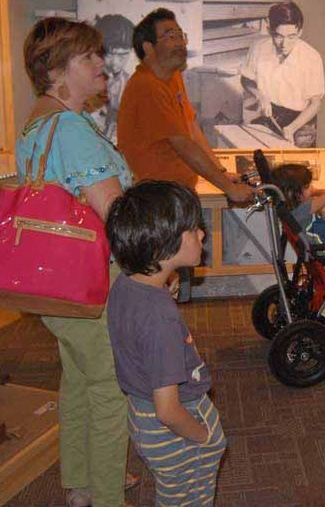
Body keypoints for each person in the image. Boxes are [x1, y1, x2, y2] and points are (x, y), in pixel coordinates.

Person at [16, 17, 136, 507]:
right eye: (88, 57)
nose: (100, 65)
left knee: (79, 378)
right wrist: (149, 274)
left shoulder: (37, 125)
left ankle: (80, 484)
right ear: (57, 71)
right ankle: (107, 495)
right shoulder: (70, 127)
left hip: (53, 280)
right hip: (91, 279)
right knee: (109, 385)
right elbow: (115, 215)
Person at [105, 181, 227, 506]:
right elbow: (168, 410)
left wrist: (167, 282)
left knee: (173, 496)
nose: (201, 234)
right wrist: (207, 437)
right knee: (190, 498)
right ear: (161, 247)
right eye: (192, 228)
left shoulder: (127, 282)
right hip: (176, 428)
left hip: (140, 414)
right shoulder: (161, 319)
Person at [117, 7, 253, 203]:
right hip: (157, 199)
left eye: (181, 35)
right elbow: (183, 145)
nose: (181, 43)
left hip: (177, 193)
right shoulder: (146, 86)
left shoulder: (172, 77)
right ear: (148, 47)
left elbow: (191, 128)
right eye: (171, 36)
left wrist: (221, 172)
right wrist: (229, 189)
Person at [241, 2, 325, 147]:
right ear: (269, 30)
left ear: (300, 32)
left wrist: (292, 128)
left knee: (298, 165)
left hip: (301, 119)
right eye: (279, 36)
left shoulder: (312, 57)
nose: (284, 44)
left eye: (291, 36)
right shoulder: (258, 48)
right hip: (271, 114)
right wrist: (259, 95)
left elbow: (315, 103)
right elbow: (246, 79)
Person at [92, 14, 135, 140]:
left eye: (122, 56)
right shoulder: (84, 82)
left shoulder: (132, 83)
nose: (115, 63)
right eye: (109, 55)